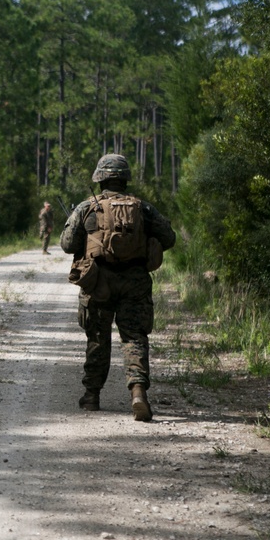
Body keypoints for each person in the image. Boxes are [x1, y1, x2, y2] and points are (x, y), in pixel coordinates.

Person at [59, 154, 176, 421]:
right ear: (124, 178)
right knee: (134, 337)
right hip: (135, 282)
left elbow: (67, 245)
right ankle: (138, 393)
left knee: (98, 337)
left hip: (99, 280)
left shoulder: (88, 207)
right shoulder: (143, 208)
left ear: (99, 178)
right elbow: (169, 238)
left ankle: (91, 396)